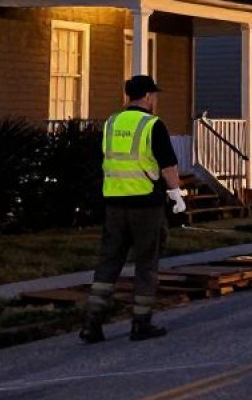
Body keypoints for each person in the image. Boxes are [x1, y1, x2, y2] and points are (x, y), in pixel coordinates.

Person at [79, 74, 187, 343]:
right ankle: (141, 323)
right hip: (146, 205)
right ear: (148, 96)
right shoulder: (152, 125)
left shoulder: (111, 124)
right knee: (146, 264)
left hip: (114, 204)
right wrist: (176, 194)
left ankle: (92, 324)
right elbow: (168, 166)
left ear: (129, 95)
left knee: (108, 264)